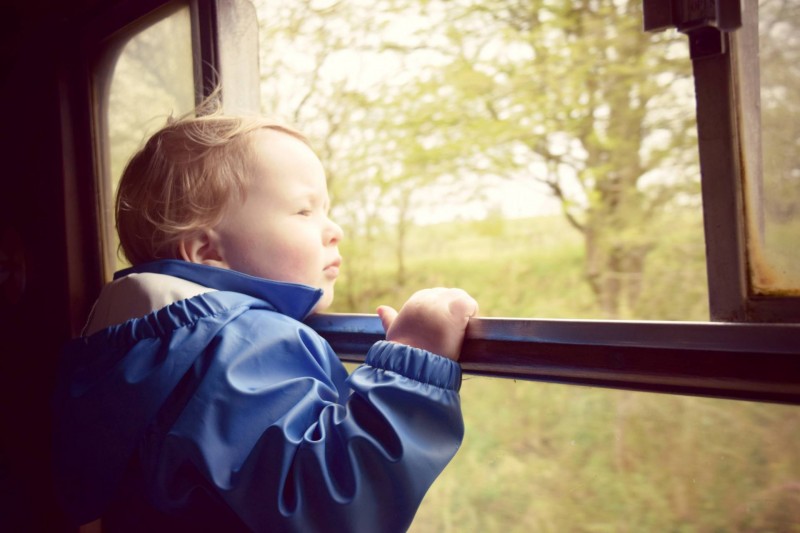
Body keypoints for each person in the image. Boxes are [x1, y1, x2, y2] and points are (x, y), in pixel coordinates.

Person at [52, 100, 478, 533]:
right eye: (304, 210)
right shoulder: (242, 343)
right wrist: (414, 361)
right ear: (208, 252)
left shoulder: (130, 348)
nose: (335, 229)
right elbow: (327, 507)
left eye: (325, 209)